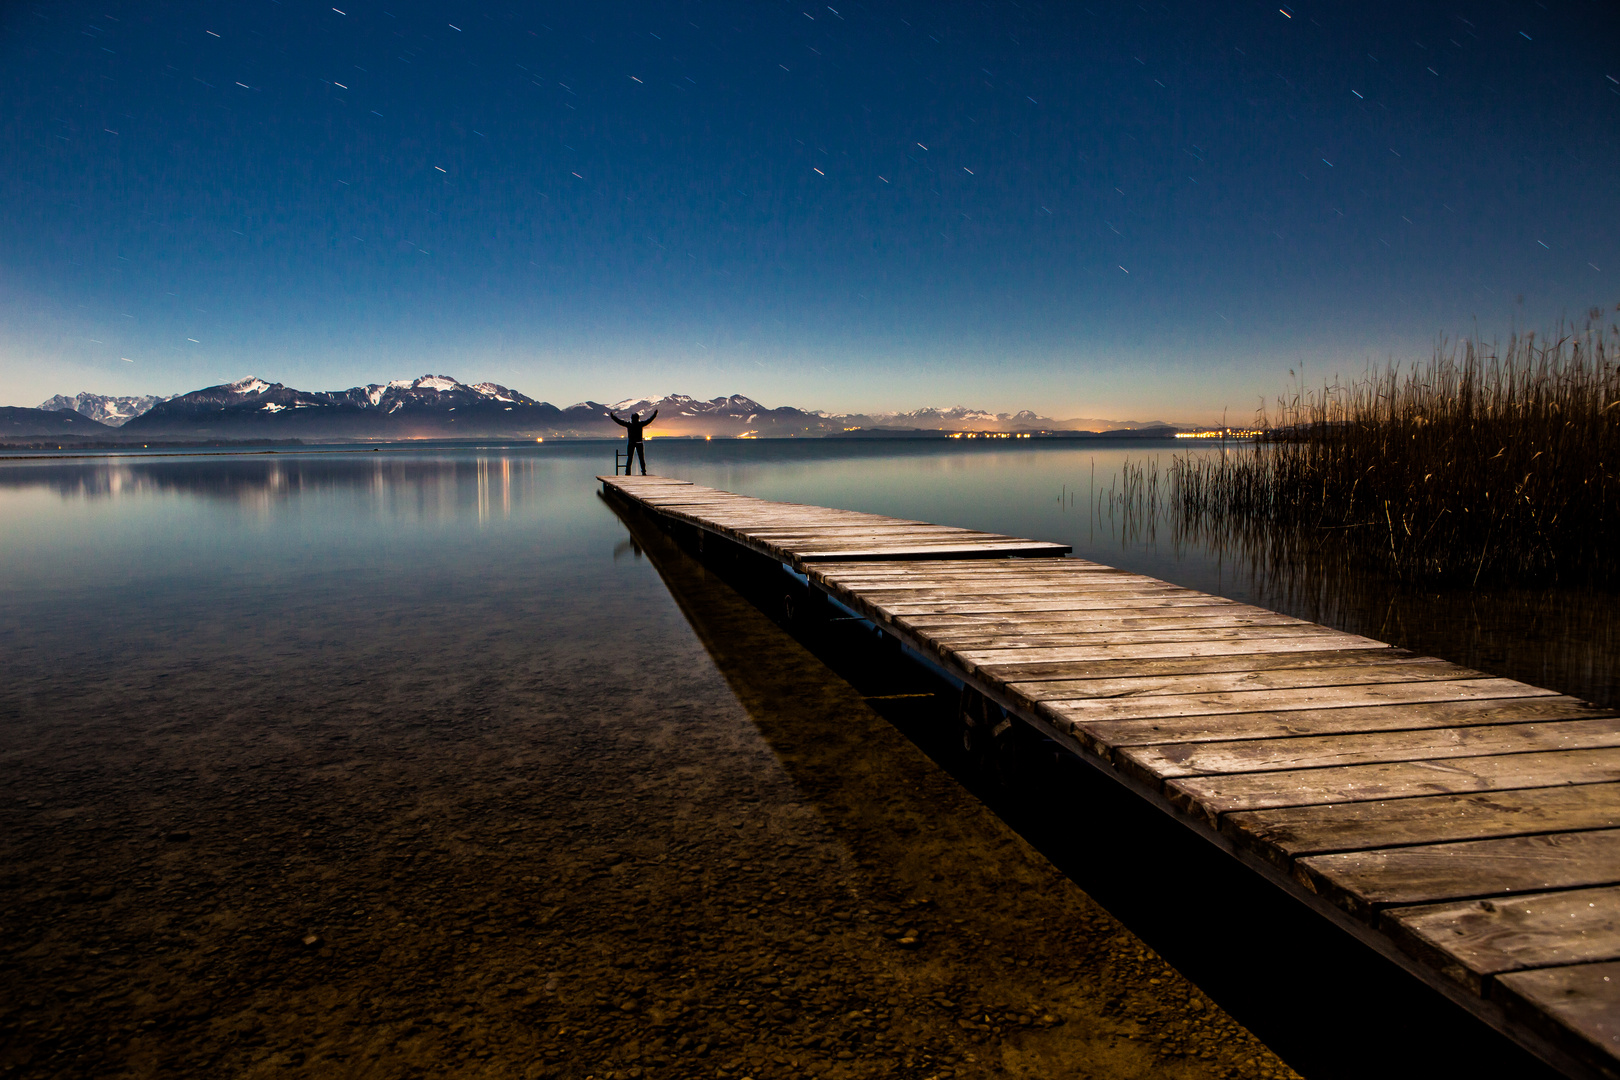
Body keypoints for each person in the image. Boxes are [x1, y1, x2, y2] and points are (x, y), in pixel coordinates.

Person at [609, 408, 657, 474]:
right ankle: (643, 471)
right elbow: (649, 420)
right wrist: (654, 415)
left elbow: (620, 422)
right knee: (641, 458)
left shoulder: (630, 425)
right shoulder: (640, 424)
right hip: (639, 443)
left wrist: (613, 417)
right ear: (638, 418)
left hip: (631, 443)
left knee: (630, 458)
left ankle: (628, 472)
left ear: (632, 419)